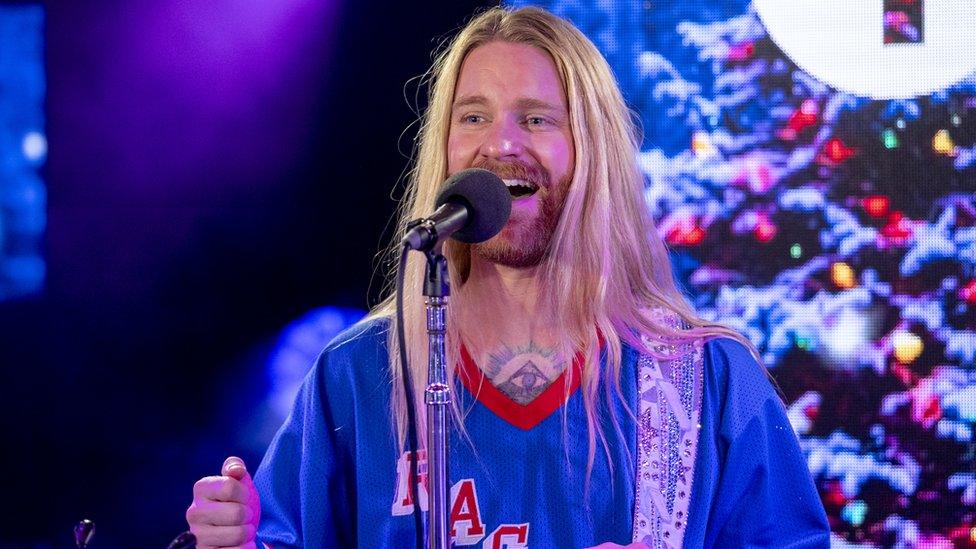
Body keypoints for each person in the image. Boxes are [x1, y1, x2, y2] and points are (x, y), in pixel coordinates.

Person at [185, 6, 830, 548]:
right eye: (473, 117)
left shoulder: (708, 381)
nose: (501, 144)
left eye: (536, 118)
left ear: (592, 151)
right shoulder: (356, 376)